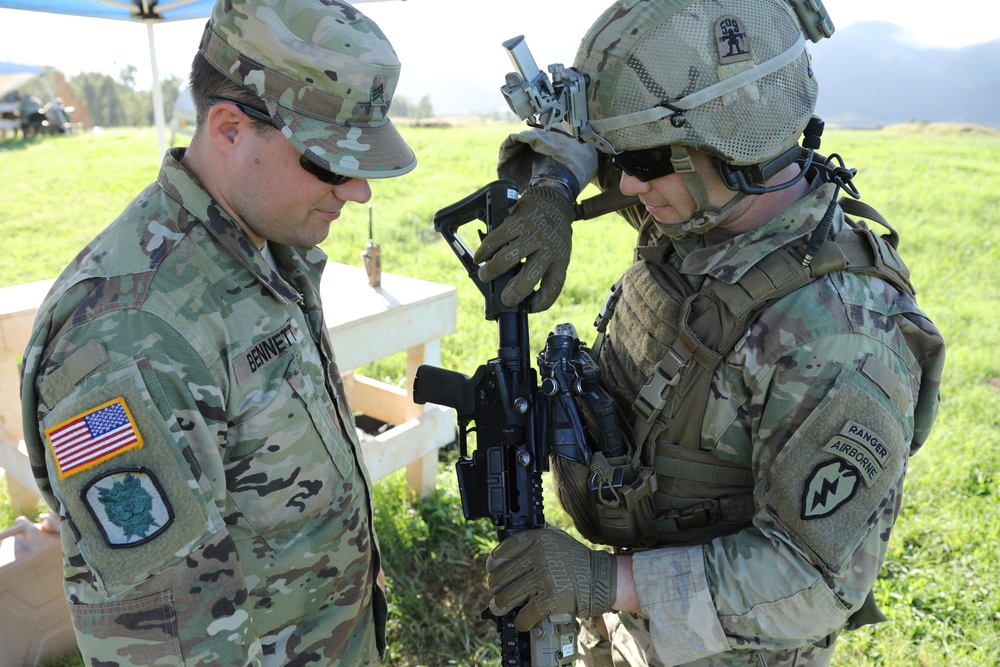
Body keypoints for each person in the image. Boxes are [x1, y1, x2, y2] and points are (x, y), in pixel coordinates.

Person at [475, 0, 946, 665]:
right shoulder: (703, 206)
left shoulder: (836, 334)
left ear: (734, 139)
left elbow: (815, 579)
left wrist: (606, 582)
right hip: (624, 625)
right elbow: (582, 118)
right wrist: (553, 186)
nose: (626, 182)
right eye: (620, 155)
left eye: (643, 158)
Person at [19, 0, 415, 664]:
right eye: (328, 163)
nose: (358, 193)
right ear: (230, 127)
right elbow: (167, 645)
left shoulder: (260, 247)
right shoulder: (128, 335)